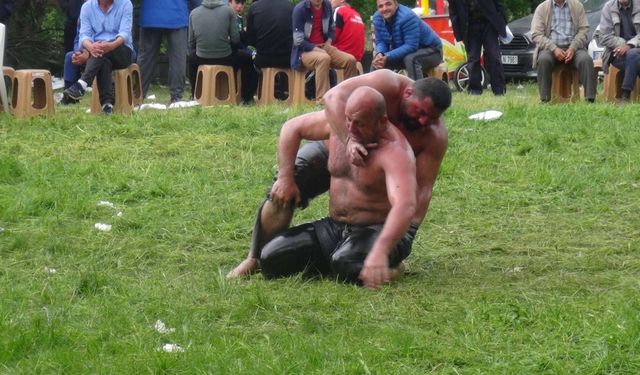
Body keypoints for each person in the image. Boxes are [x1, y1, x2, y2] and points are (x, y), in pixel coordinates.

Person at [228, 71, 451, 279]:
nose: (423, 121)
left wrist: (401, 240)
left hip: (373, 207)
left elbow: (420, 190)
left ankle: (367, 258)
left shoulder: (421, 141)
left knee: (345, 261)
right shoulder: (381, 87)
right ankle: (255, 258)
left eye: (431, 118)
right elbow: (328, 100)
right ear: (408, 93)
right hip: (337, 152)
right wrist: (287, 177)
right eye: (420, 112)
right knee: (280, 194)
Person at [259, 87, 418, 289]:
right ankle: (339, 259)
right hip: (334, 227)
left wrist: (380, 251)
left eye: (360, 123)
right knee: (271, 257)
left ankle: (393, 268)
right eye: (348, 119)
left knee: (346, 266)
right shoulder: (339, 127)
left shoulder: (396, 152)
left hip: (375, 230)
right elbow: (291, 127)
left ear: (382, 122)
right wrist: (285, 178)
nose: (351, 128)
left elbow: (405, 206)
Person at [63, 0, 134, 114]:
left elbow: (125, 34)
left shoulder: (126, 4)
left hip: (121, 50)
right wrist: (90, 48)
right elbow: (84, 35)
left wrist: (110, 45)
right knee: (103, 59)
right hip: (97, 52)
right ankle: (107, 106)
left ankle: (82, 84)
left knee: (102, 52)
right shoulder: (87, 7)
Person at [188, 0, 258, 104]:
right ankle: (247, 97)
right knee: (248, 58)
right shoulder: (229, 12)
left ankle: (195, 93)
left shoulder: (193, 13)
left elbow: (191, 42)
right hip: (225, 57)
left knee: (190, 58)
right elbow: (235, 40)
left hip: (201, 57)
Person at [291, 0, 358, 101]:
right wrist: (315, 49)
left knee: (350, 60)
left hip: (324, 46)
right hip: (304, 50)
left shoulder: (327, 6)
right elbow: (298, 41)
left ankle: (350, 98)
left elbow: (332, 28)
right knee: (324, 59)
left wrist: (329, 42)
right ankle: (322, 101)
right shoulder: (300, 10)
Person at [531, 0, 597, 103]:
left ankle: (590, 99)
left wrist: (573, 47)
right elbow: (536, 34)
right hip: (550, 49)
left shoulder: (577, 5)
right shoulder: (542, 8)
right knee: (543, 59)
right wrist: (553, 48)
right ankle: (544, 99)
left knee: (586, 60)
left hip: (574, 48)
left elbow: (584, 30)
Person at [448, 0, 508, 95]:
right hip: (469, 27)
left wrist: (503, 23)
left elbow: (499, 4)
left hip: (489, 24)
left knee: (494, 56)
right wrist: (459, 35)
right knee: (473, 59)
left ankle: (499, 89)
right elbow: (453, 12)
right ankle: (474, 90)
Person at [371, 0, 443, 80]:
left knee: (411, 59)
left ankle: (417, 91)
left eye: (388, 4)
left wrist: (387, 56)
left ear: (396, 4)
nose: (384, 8)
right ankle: (371, 91)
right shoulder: (377, 18)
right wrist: (380, 54)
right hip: (405, 53)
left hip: (432, 51)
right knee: (377, 62)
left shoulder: (407, 17)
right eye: (381, 6)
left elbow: (411, 46)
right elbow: (381, 41)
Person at [137, 0, 190, 104]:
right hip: (177, 12)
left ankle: (138, 94)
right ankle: (176, 97)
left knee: (146, 59)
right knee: (178, 58)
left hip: (150, 12)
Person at [595, 0, 640, 102]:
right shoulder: (608, 7)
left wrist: (630, 45)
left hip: (637, 49)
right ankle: (625, 95)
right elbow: (604, 36)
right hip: (617, 53)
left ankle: (625, 95)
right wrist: (622, 44)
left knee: (633, 54)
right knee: (634, 57)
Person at [245, 0, 293, 69]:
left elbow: (250, 39)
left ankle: (263, 79)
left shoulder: (254, 7)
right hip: (287, 59)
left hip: (263, 60)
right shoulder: (291, 6)